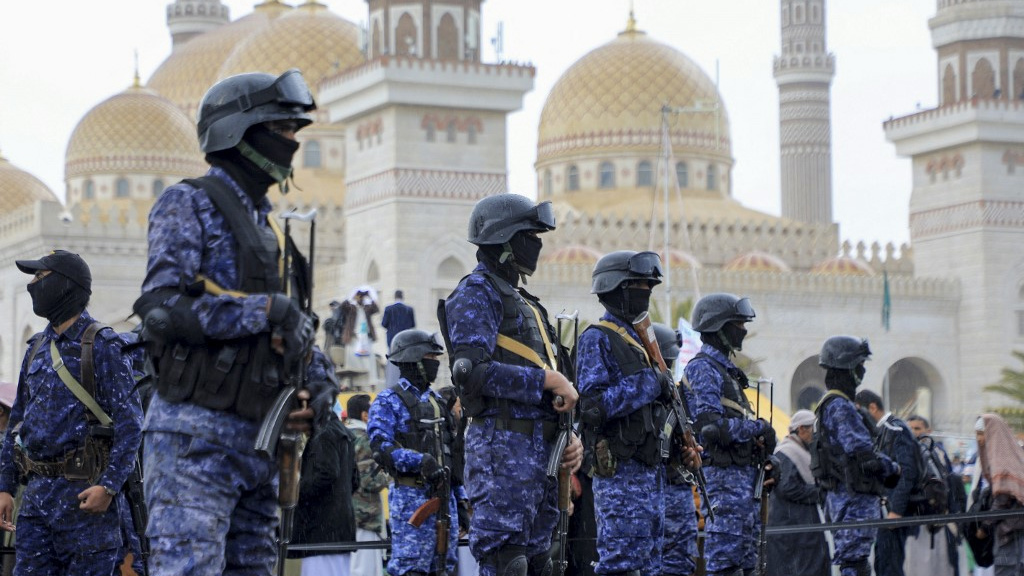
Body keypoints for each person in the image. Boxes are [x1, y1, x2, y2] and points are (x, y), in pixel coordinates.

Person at [132, 68, 339, 575]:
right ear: (238, 133)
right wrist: (262, 311)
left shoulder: (274, 229)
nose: (291, 143)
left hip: (260, 443)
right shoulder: (190, 204)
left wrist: (319, 388)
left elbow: (300, 330)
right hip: (195, 443)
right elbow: (160, 310)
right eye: (281, 130)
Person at [441, 193, 582, 576]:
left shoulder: (527, 303)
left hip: (542, 452)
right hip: (501, 450)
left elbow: (559, 384)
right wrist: (547, 380)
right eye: (529, 235)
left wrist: (571, 437)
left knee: (541, 560)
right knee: (508, 562)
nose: (536, 243)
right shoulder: (477, 292)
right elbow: (471, 372)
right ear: (504, 240)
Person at [0, 250, 144, 574]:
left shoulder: (103, 346)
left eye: (40, 277)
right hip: (37, 500)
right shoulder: (36, 349)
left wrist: (108, 487)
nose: (33, 285)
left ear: (65, 285)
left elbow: (131, 425)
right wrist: (5, 487)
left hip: (86, 502)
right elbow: (17, 423)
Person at [575, 251, 673, 576]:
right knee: (621, 566)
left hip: (648, 472)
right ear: (618, 289)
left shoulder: (640, 343)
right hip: (620, 476)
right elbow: (593, 406)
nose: (646, 292)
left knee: (650, 565)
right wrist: (651, 381)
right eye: (640, 286)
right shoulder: (597, 339)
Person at [686, 292, 773, 576]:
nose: (743, 330)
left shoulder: (727, 373)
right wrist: (759, 427)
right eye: (737, 323)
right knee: (726, 565)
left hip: (743, 481)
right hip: (723, 482)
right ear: (718, 327)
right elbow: (712, 428)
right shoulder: (703, 368)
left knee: (747, 565)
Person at [368, 329, 466, 576]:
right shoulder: (388, 401)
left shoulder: (437, 402)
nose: (435, 364)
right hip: (411, 498)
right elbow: (381, 448)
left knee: (443, 567)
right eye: (430, 359)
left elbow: (449, 455)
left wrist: (461, 501)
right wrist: (419, 461)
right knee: (411, 569)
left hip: (445, 500)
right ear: (413, 360)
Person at [813, 336, 900, 576]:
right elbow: (863, 454)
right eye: (858, 365)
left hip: (845, 497)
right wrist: (893, 469)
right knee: (855, 564)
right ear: (848, 369)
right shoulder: (840, 406)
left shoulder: (831, 404)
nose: (862, 371)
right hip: (852, 500)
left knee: (854, 561)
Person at [291, 375, 359, 576]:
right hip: (338, 530)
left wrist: (295, 493)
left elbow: (325, 474)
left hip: (321, 530)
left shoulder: (324, 434)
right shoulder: (341, 432)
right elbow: (354, 480)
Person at [854, 389, 919, 576]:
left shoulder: (895, 429)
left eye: (861, 412)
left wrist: (895, 511)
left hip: (892, 512)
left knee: (890, 566)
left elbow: (907, 471)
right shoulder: (881, 430)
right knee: (882, 563)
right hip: (883, 511)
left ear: (872, 408)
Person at [654, 322, 701, 576]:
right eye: (666, 363)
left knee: (681, 564)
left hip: (677, 489)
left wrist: (690, 455)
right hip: (653, 491)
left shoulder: (677, 398)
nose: (669, 370)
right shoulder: (643, 395)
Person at [765, 409, 830, 576]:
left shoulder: (801, 451)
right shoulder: (786, 452)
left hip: (801, 525)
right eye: (812, 431)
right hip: (791, 527)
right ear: (801, 429)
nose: (814, 436)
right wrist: (818, 492)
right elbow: (786, 487)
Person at [904, 415, 960, 576]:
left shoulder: (938, 453)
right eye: (910, 429)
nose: (914, 433)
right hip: (917, 523)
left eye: (917, 428)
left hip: (940, 522)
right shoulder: (908, 454)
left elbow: (949, 485)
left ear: (928, 431)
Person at [973, 413, 1024, 576]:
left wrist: (985, 527)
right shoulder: (1011, 457)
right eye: (977, 434)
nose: (979, 439)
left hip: (1012, 535)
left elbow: (1002, 498)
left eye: (982, 434)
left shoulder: (1004, 462)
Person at [346, 393, 389, 576]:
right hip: (365, 514)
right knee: (365, 569)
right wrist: (391, 475)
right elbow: (369, 480)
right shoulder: (364, 438)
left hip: (351, 512)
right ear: (365, 415)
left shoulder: (346, 434)